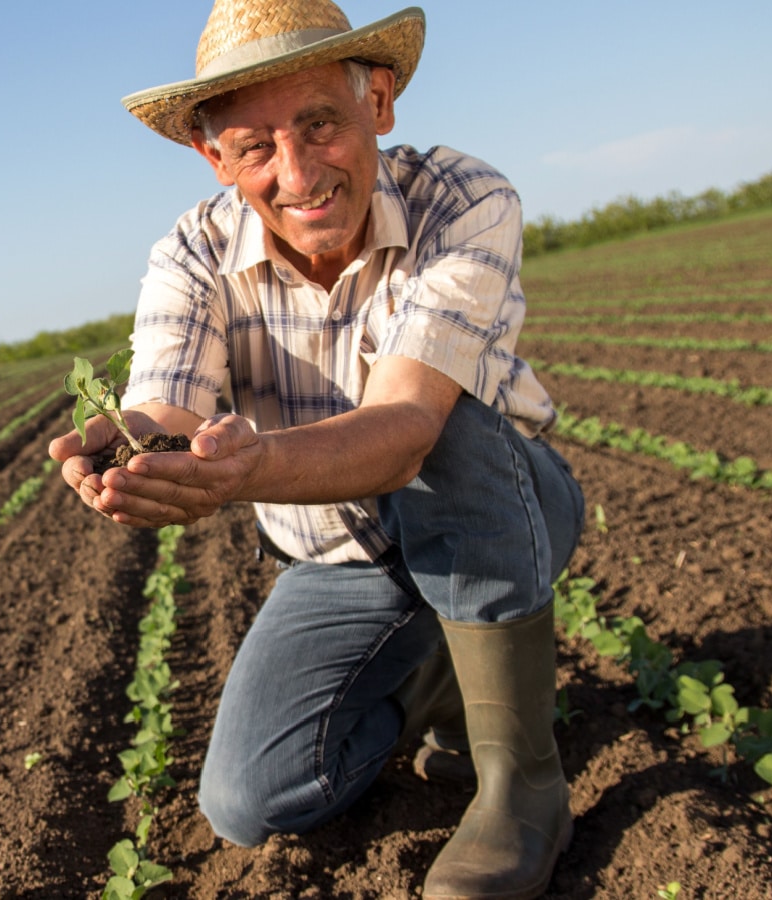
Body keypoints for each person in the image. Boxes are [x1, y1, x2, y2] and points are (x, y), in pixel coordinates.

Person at [47, 1, 584, 897]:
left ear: (377, 100)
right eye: (254, 147)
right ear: (212, 157)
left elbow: (409, 427)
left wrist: (251, 468)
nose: (298, 173)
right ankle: (438, 677)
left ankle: (522, 785)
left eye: (320, 124)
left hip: (503, 514)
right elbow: (167, 399)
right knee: (247, 800)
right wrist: (138, 445)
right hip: (342, 557)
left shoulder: (463, 198)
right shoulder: (191, 252)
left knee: (446, 426)